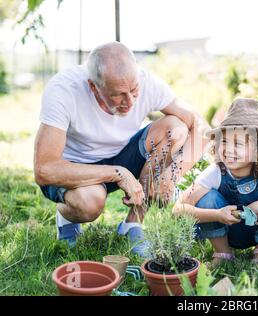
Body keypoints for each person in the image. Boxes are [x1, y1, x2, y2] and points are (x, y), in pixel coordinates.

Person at [34, 42, 209, 256]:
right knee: (90, 204)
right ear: (93, 86)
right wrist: (117, 173)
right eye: (118, 95)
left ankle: (133, 224)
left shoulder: (146, 81)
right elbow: (44, 169)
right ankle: (66, 216)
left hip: (121, 156)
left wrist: (171, 176)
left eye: (134, 90)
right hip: (75, 169)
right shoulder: (63, 90)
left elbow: (200, 126)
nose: (130, 101)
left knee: (176, 128)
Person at [173, 98, 258, 265]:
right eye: (224, 141)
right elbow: (178, 209)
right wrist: (216, 215)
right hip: (227, 233)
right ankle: (223, 253)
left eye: (238, 143)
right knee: (208, 198)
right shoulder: (216, 172)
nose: (228, 149)